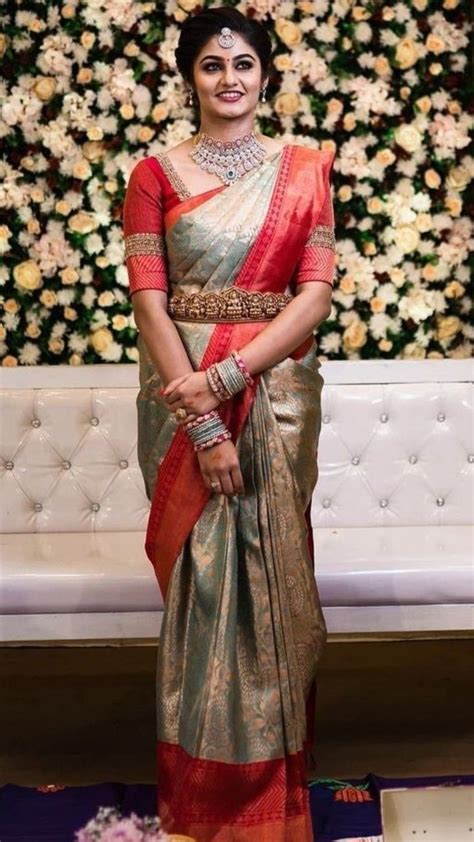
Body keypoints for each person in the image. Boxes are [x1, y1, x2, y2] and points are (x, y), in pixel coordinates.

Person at [122, 6, 336, 840]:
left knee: (276, 588)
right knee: (206, 592)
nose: (230, 79)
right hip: (179, 401)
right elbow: (150, 298)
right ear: (190, 78)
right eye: (212, 65)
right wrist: (203, 420)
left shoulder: (307, 169)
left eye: (243, 63)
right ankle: (209, 797)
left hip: (275, 393)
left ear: (266, 74)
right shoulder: (156, 174)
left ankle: (273, 794)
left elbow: (313, 295)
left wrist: (230, 376)